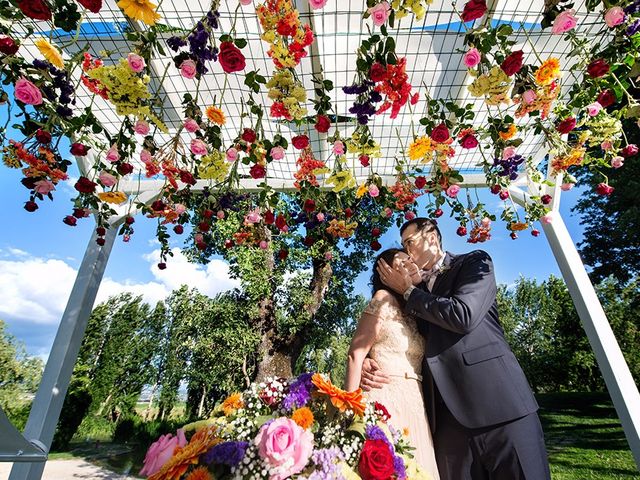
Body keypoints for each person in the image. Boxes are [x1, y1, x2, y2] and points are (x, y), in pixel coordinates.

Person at [367, 217, 551, 480]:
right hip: (446, 425)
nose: (406, 252)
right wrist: (369, 358)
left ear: (431, 236)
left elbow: (464, 315)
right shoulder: (408, 295)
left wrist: (409, 292)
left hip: (500, 408)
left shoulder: (474, 263)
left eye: (409, 243)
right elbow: (392, 337)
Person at [345, 248, 441, 480]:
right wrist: (349, 411)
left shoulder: (415, 310)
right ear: (386, 271)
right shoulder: (381, 299)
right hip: (384, 397)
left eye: (411, 260)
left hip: (416, 403)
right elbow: (355, 354)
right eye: (402, 260)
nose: (410, 263)